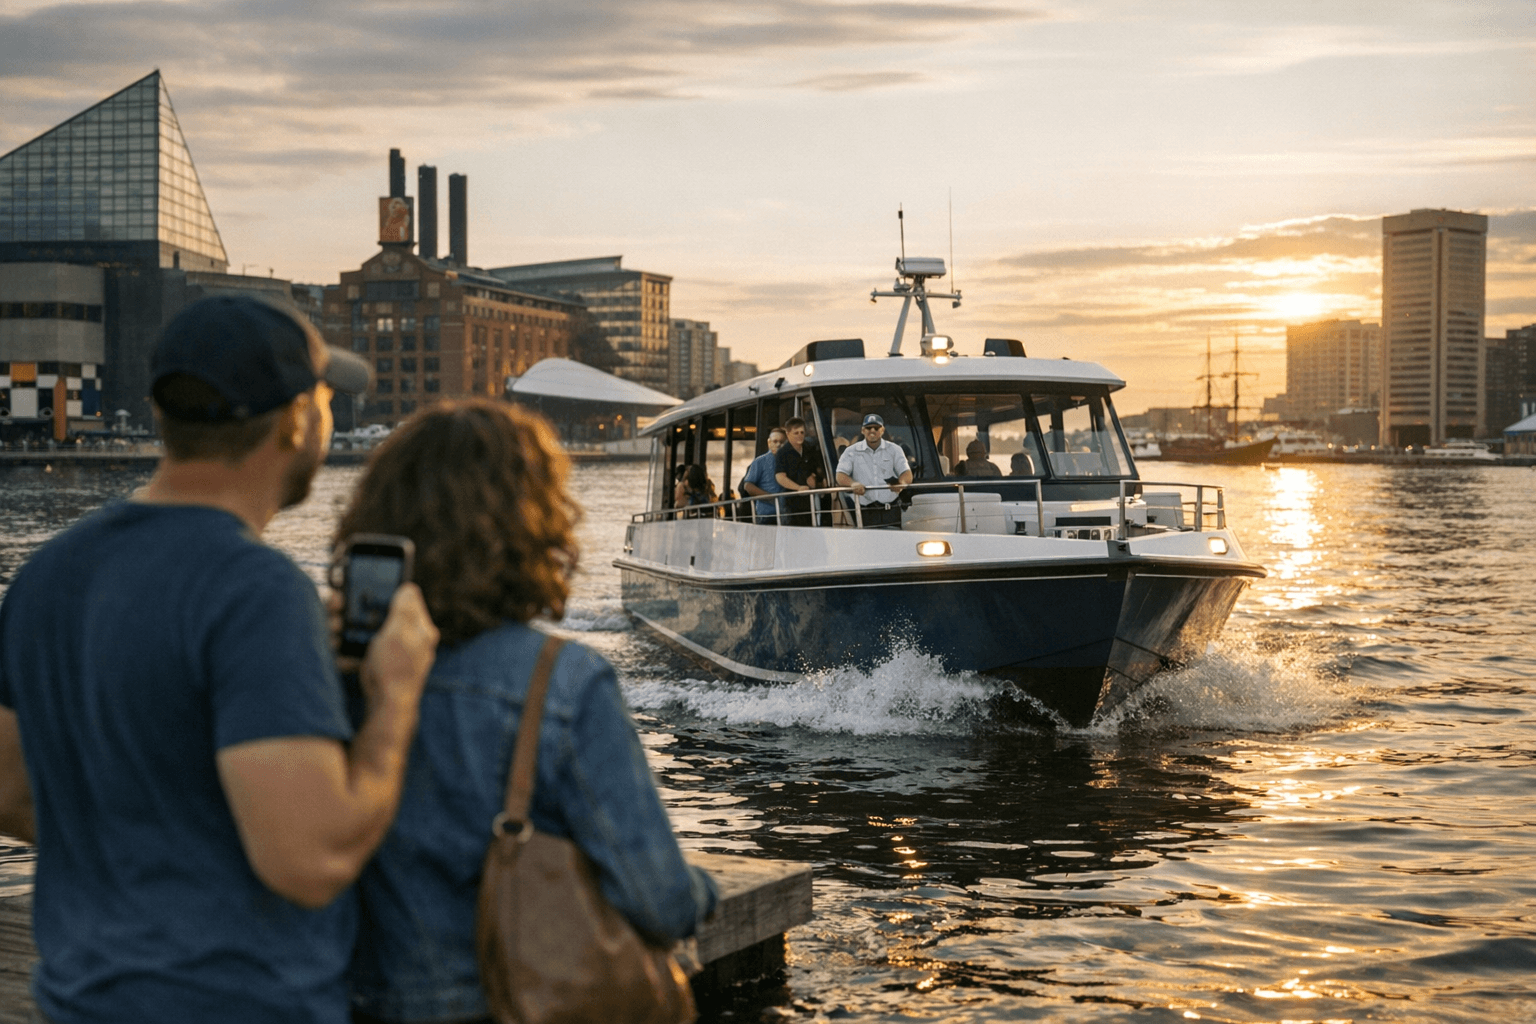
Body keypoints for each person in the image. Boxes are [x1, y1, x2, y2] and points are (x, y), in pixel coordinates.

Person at [0, 295, 440, 1023]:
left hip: (79, 999)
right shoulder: (256, 592)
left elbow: (8, 788)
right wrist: (396, 694)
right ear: (299, 420)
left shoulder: (47, 573)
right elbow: (311, 861)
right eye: (328, 398)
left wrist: (164, 839)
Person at [336, 401, 719, 1023]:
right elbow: (659, 899)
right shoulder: (561, 681)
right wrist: (705, 891)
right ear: (533, 524)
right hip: (500, 1002)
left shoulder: (332, 667)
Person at [835, 414, 913, 529]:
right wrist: (853, 484)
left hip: (891, 511)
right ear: (863, 430)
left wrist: (901, 484)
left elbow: (907, 473)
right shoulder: (851, 451)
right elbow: (840, 475)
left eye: (876, 428)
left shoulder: (895, 450)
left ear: (882, 430)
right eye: (868, 428)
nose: (872, 431)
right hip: (866, 513)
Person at [774, 416, 822, 526]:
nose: (800, 435)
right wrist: (798, 488)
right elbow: (780, 477)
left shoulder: (809, 448)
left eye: (802, 432)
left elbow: (815, 469)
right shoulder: (782, 453)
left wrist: (815, 478)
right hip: (790, 503)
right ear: (788, 433)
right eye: (796, 433)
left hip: (808, 501)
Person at [740, 426, 787, 523]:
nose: (778, 445)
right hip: (767, 515)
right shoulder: (760, 461)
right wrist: (772, 498)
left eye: (782, 442)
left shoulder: (791, 461)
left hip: (788, 514)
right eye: (775, 441)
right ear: (769, 443)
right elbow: (748, 486)